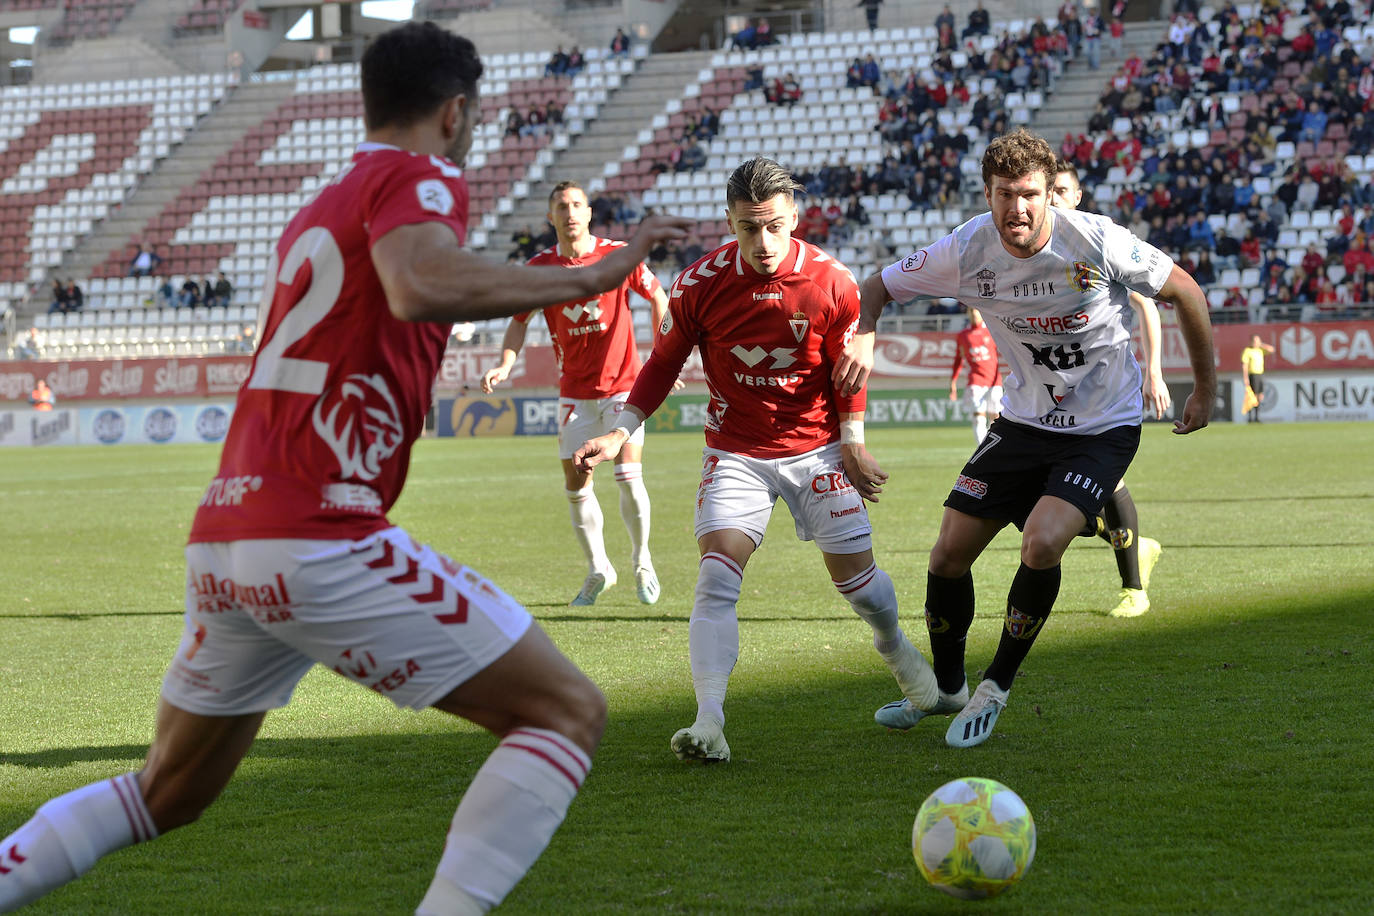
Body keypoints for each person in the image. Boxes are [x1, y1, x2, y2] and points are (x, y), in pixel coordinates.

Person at [0, 22, 691, 915]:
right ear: (454, 112)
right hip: (316, 532)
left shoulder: (320, 205)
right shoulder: (422, 176)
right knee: (566, 713)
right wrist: (594, 278)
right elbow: (417, 282)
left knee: (163, 796)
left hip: (228, 533)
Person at [834, 128, 1216, 748]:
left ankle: (995, 688)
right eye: (1005, 194)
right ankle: (949, 690)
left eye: (1031, 194)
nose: (1019, 208)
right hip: (1021, 424)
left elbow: (1185, 292)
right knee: (946, 554)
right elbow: (874, 288)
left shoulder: (1093, 239)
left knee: (1041, 542)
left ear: (1049, 196)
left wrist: (1205, 389)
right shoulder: (966, 248)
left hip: (1101, 428)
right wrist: (866, 333)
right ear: (987, 195)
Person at [574, 158, 938, 764]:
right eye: (748, 229)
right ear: (730, 222)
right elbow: (663, 363)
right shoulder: (700, 283)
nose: (763, 243)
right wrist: (620, 431)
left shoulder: (832, 282)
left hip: (815, 447)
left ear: (794, 216)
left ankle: (895, 646)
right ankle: (709, 722)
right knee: (716, 579)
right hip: (734, 451)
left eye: (773, 226)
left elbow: (849, 371)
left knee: (861, 588)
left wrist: (853, 439)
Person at [481, 181, 671, 607]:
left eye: (577, 205)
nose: (570, 212)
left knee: (627, 474)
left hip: (625, 386)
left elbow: (658, 295)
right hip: (574, 395)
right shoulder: (539, 270)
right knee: (576, 484)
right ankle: (599, 568)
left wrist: (663, 354)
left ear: (589, 213)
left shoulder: (617, 256)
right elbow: (519, 320)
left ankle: (643, 562)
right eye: (561, 207)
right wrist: (506, 363)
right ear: (551, 218)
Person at [1049, 159, 1167, 618]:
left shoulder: (1098, 241)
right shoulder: (1034, 249)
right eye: (1048, 190)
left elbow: (1149, 305)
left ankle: (1134, 589)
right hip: (1051, 394)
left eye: (1062, 190)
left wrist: (1154, 372)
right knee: (1042, 497)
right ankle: (1138, 544)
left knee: (1107, 482)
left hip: (1102, 394)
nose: (1054, 198)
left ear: (1077, 196)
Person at [949, 307, 1002, 444]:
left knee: (996, 419)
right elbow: (958, 359)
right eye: (971, 311)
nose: (973, 313)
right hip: (976, 381)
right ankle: (981, 449)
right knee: (978, 417)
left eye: (976, 310)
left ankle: (993, 448)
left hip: (994, 382)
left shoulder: (991, 331)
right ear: (968, 313)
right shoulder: (963, 335)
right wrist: (952, 382)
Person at [1240, 334, 1275, 423]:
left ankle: (1257, 416)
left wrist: (1261, 344)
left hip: (1260, 374)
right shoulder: (1247, 351)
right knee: (1253, 396)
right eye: (1255, 341)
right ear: (1251, 342)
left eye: (1258, 341)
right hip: (1253, 375)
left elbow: (1272, 350)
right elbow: (1245, 365)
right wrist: (1245, 377)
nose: (1256, 343)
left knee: (1260, 396)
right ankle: (1251, 417)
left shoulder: (1260, 350)